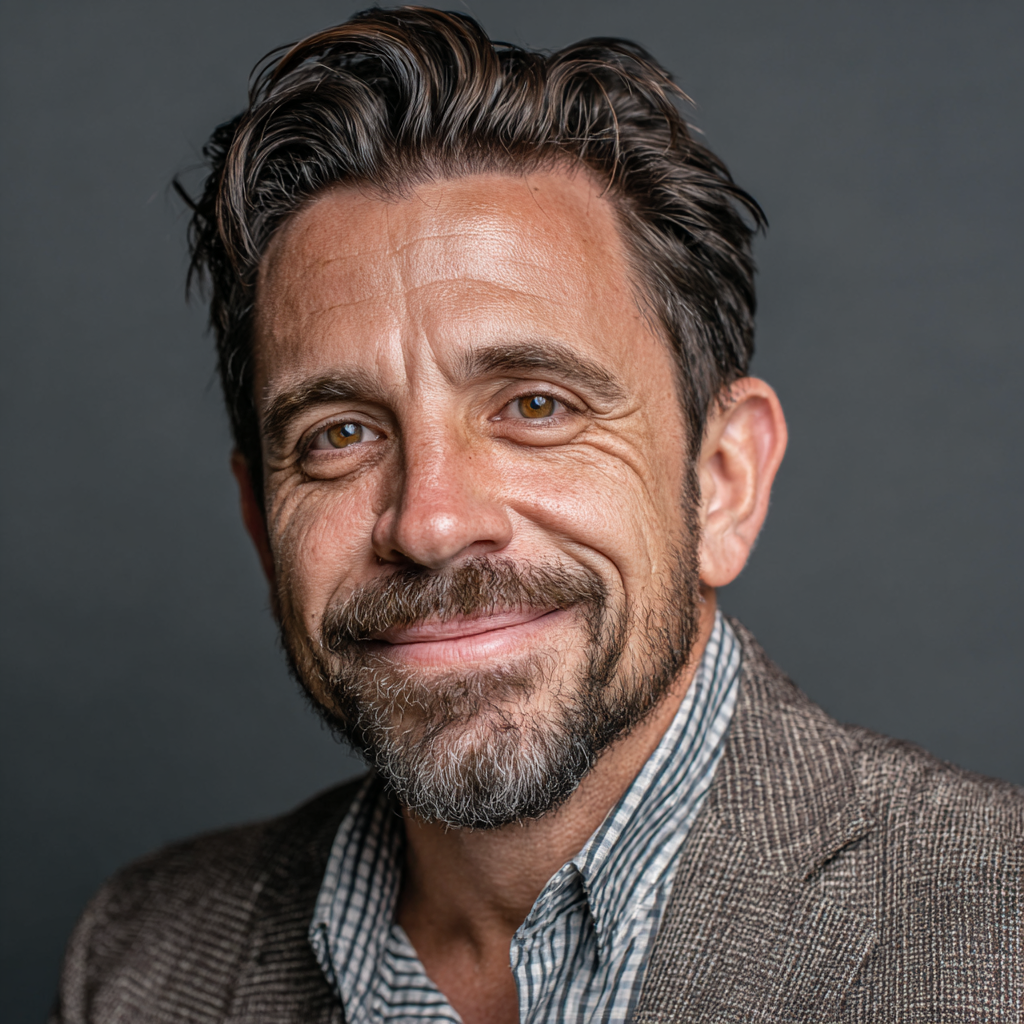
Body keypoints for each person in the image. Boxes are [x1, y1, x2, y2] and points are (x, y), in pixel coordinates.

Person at [52, 7, 1024, 1022]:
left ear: (723, 479)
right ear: (261, 525)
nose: (430, 524)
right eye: (341, 434)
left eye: (535, 406)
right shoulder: (138, 960)